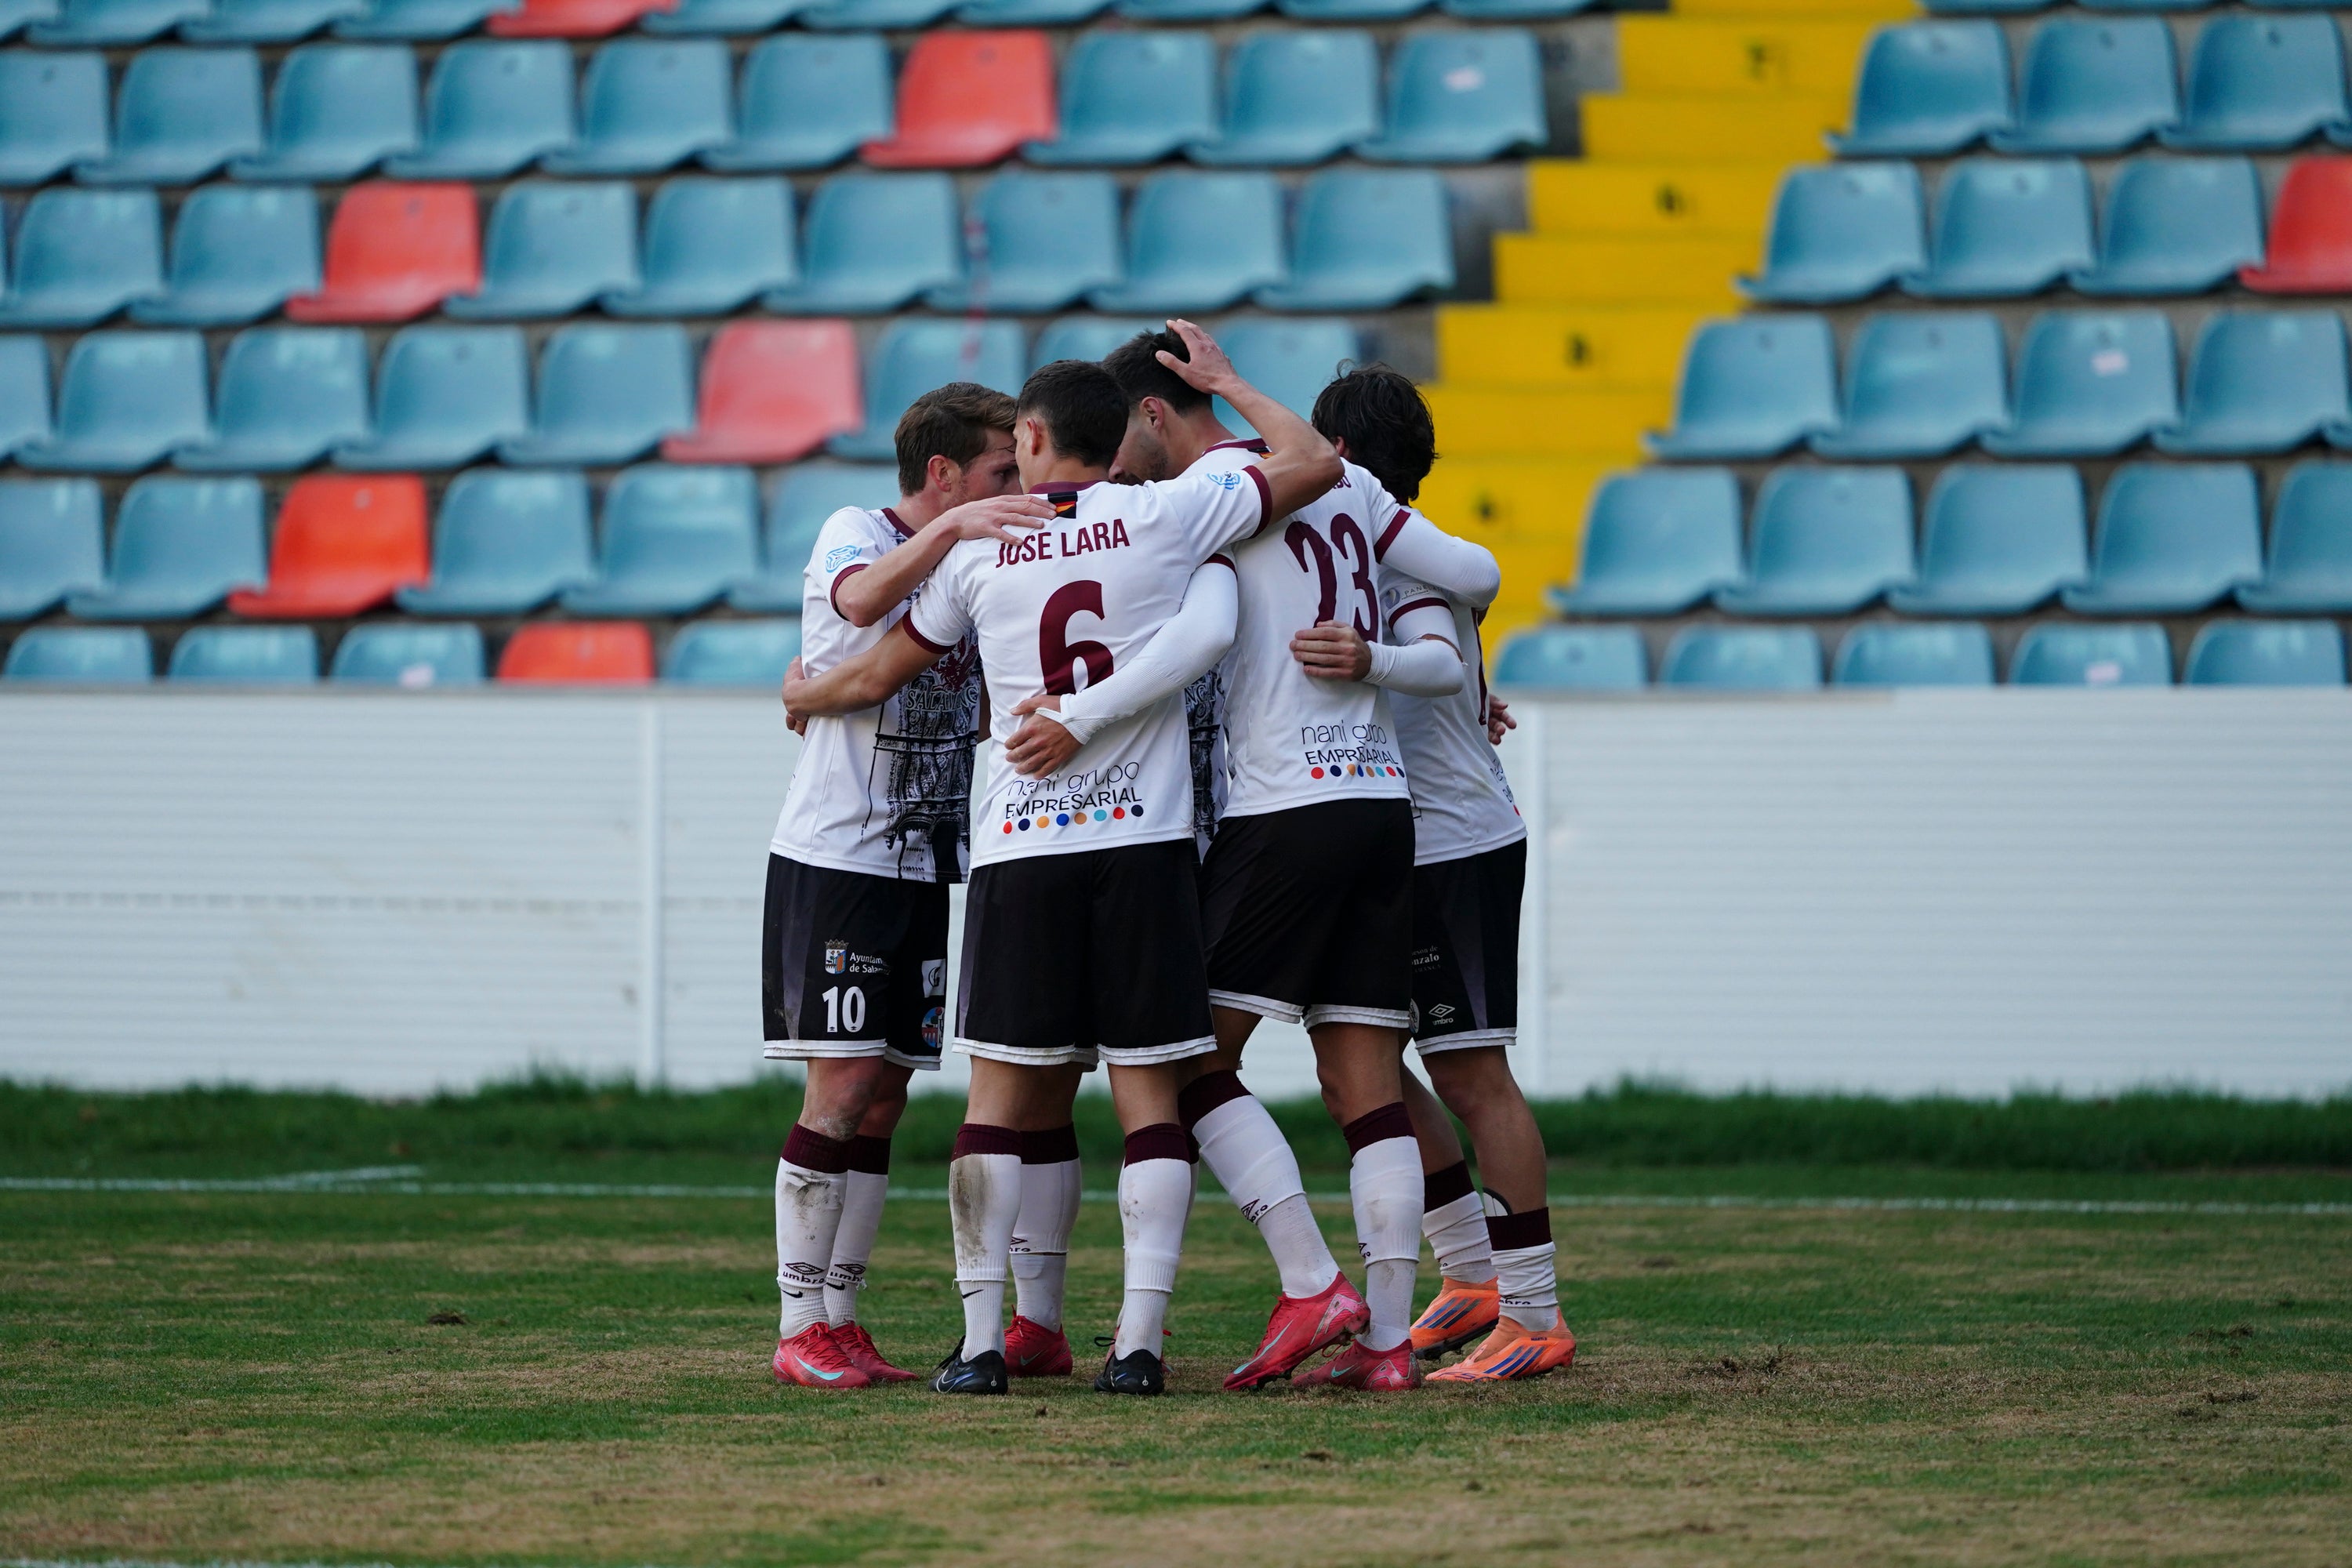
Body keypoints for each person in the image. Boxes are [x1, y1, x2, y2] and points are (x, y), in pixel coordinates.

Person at [782, 325, 1344, 1397]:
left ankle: (985, 1345)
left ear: (1033, 436)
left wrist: (804, 692)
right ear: (1125, 432)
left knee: (996, 1101)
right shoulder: (1171, 513)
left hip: (1020, 849)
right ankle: (1137, 1349)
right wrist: (1225, 385)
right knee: (1147, 1100)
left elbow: (877, 662)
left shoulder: (985, 545)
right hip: (1143, 843)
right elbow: (1315, 465)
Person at [1054, 331, 1501, 1392]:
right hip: (1378, 804)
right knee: (1363, 1084)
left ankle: (1313, 1281)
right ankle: (1388, 1346)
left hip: (1283, 808)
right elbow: (1477, 574)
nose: (1115, 466)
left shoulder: (1216, 496)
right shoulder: (1341, 479)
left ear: (1158, 414)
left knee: (1185, 1064)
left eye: (1121, 438)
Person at [763, 383, 1054, 1392]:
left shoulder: (971, 565)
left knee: (884, 1095)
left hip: (924, 862)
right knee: (839, 1086)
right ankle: (799, 1320)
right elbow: (852, 606)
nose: (1012, 490)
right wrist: (961, 529)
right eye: (996, 474)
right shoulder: (860, 529)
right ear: (943, 476)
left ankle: (842, 1318)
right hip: (837, 856)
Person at [1311, 364, 1576, 1385]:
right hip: (1392, 842)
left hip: (1453, 846)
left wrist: (1372, 661)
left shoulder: (1407, 562)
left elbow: (1434, 660)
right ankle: (1472, 1278)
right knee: (1362, 1067)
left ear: (1339, 457)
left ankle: (1538, 1314)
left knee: (1470, 1071)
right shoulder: (1367, 554)